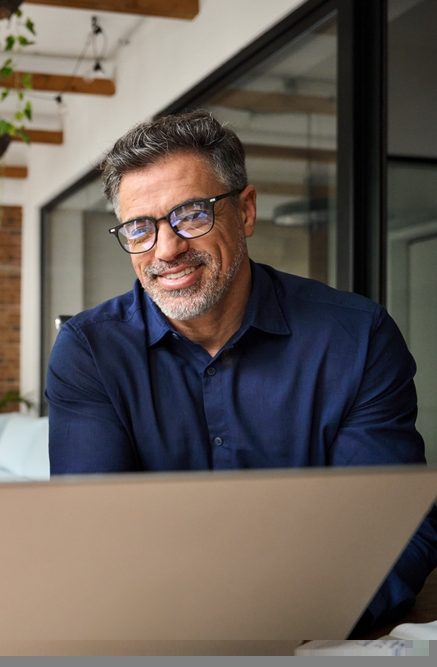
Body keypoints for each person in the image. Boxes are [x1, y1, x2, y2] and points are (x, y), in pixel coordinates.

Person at [45, 109, 437, 635]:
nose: (166, 249)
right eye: (140, 228)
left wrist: (288, 623)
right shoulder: (89, 351)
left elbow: (393, 529)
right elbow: (92, 536)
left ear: (246, 211)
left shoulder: (358, 337)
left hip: (324, 633)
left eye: (192, 214)